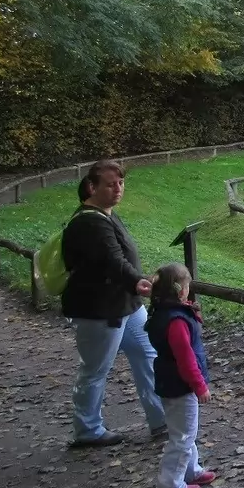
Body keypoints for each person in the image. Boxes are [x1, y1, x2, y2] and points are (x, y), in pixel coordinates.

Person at [61, 160, 167, 447]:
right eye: (110, 184)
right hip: (100, 309)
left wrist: (134, 284)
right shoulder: (90, 222)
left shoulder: (106, 215)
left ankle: (161, 420)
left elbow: (119, 259)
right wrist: (138, 282)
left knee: (148, 356)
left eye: (120, 182)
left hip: (126, 304)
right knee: (95, 369)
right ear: (92, 187)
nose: (118, 189)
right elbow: (112, 260)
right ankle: (87, 430)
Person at [144, 262, 215, 488]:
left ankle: (191, 470)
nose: (189, 290)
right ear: (180, 290)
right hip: (180, 384)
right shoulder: (175, 321)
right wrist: (200, 386)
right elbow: (185, 358)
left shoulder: (163, 311)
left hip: (169, 380)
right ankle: (169, 487)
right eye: (187, 286)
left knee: (185, 430)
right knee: (183, 435)